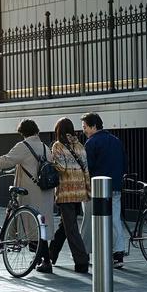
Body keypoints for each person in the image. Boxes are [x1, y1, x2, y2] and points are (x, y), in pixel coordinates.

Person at [0, 119, 55, 273]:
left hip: (30, 191)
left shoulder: (23, 146)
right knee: (40, 225)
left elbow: (5, 160)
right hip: (45, 191)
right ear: (36, 131)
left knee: (32, 225)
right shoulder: (45, 147)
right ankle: (42, 259)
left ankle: (45, 260)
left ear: (22, 133)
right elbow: (31, 166)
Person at [80, 112, 127, 268]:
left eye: (85, 127)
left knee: (88, 220)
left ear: (93, 126)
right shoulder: (116, 141)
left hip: (96, 189)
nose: (84, 130)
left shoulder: (91, 143)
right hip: (115, 187)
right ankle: (118, 254)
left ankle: (85, 253)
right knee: (114, 221)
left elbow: (88, 168)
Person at [49, 118, 90, 273]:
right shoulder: (79, 145)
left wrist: (49, 162)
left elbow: (62, 167)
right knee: (65, 225)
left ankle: (82, 262)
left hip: (66, 192)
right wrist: (88, 190)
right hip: (79, 192)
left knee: (71, 228)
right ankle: (50, 255)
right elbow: (86, 169)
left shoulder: (57, 146)